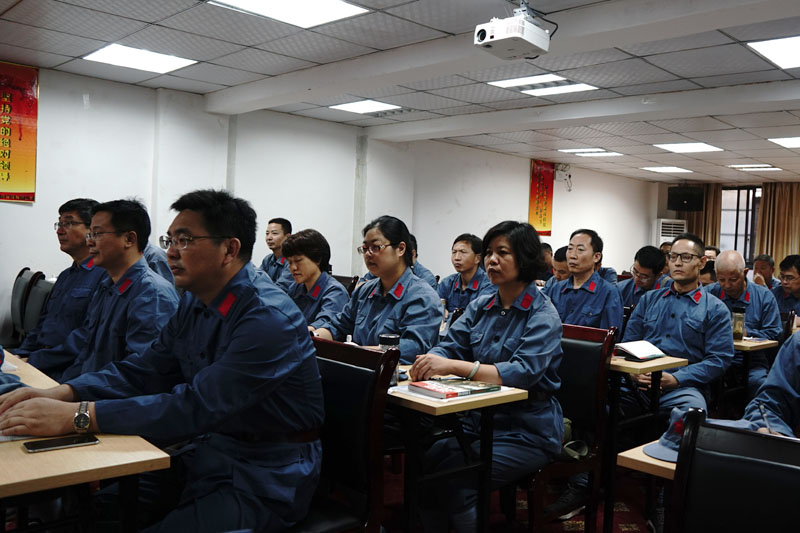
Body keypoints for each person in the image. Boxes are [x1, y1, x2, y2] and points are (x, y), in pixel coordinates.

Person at [0, 189, 324, 532]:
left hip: (266, 473)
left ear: (229, 249)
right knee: (92, 516)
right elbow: (147, 368)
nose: (170, 252)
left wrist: (79, 416)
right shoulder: (196, 300)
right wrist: (63, 393)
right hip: (208, 451)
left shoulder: (267, 318)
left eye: (185, 241)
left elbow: (196, 405)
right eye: (170, 240)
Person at [410, 221, 563, 531]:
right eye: (489, 252)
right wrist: (431, 360)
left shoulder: (543, 315)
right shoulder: (481, 305)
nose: (492, 260)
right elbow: (450, 345)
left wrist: (454, 367)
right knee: (426, 464)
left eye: (502, 253)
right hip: (479, 422)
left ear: (525, 258)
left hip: (526, 430)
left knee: (458, 482)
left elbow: (522, 373)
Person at [26, 200, 179, 382]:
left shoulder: (152, 295)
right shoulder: (107, 286)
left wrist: (70, 392)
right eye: (90, 234)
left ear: (129, 239)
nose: (90, 241)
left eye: (97, 234)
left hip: (108, 396)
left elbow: (139, 375)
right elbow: (86, 354)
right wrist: (63, 387)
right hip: (85, 386)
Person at [621, 233, 734, 416]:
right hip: (638, 384)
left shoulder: (715, 309)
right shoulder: (649, 300)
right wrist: (634, 373)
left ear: (702, 262)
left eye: (686, 257)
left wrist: (676, 378)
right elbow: (628, 344)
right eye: (673, 257)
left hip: (682, 388)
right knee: (597, 397)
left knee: (692, 411)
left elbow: (719, 359)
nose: (678, 263)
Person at [311, 215, 441, 364]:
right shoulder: (364, 291)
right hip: (359, 368)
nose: (368, 254)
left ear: (400, 249)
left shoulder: (422, 296)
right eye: (365, 248)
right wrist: (313, 337)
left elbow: (412, 349)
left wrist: (357, 354)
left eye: (376, 247)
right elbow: (338, 326)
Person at [11, 199, 106, 358]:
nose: (59, 231)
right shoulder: (65, 276)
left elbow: (86, 337)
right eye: (59, 224)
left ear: (92, 230)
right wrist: (21, 354)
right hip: (38, 356)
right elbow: (42, 324)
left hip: (63, 364)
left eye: (68, 223)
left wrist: (35, 360)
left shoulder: (104, 276)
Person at [707, 250, 782, 398]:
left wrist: (747, 333)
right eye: (721, 280)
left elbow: (775, 332)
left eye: (733, 279)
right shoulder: (709, 293)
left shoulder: (763, 296)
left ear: (745, 272)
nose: (727, 285)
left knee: (759, 384)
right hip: (714, 358)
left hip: (752, 361)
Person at [547, 229, 623, 330]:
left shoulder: (608, 293)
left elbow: (609, 336)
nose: (572, 255)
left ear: (596, 257)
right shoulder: (555, 289)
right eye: (570, 249)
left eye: (580, 250)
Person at [282, 228, 349, 326]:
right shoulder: (296, 288)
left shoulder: (335, 292)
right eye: (290, 262)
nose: (293, 268)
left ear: (317, 259)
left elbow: (324, 324)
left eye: (298, 261)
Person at [743, 331, 800, 437]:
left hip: (754, 361)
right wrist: (771, 429)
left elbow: (774, 333)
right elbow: (769, 406)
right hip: (737, 361)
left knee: (756, 382)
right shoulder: (798, 342)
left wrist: (749, 332)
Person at [437, 233, 492, 313]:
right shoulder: (447, 283)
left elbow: (477, 315)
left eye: (463, 252)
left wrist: (449, 316)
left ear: (477, 258)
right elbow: (434, 309)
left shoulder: (489, 284)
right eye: (454, 252)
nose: (456, 258)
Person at [258, 217, 294, 291]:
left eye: (274, 233)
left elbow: (281, 289)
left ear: (287, 237)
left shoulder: (292, 260)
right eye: (267, 233)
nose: (269, 238)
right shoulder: (267, 259)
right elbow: (256, 281)